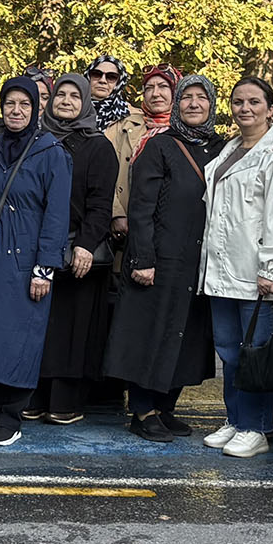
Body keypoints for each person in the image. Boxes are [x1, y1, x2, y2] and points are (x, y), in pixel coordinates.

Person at [103, 72, 224, 441]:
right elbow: (141, 207)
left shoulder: (222, 149)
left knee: (184, 336)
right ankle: (143, 410)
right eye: (187, 97)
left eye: (201, 97)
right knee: (149, 333)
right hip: (160, 257)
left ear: (211, 104)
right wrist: (143, 258)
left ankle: (167, 406)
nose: (193, 104)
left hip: (200, 260)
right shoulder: (159, 146)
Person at [199, 77, 273, 458]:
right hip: (222, 272)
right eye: (238, 102)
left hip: (258, 275)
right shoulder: (229, 151)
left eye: (254, 102)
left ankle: (257, 427)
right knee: (230, 351)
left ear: (270, 108)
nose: (245, 109)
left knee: (257, 353)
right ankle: (235, 418)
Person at [0, 76, 71, 446]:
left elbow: (56, 215)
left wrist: (44, 268)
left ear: (36, 109)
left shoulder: (50, 151)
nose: (16, 111)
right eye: (10, 104)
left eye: (24, 104)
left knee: (17, 339)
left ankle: (10, 415)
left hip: (24, 261)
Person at [34, 74, 120, 423]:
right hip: (40, 247)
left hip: (77, 249)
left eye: (74, 96)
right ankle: (35, 396)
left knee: (73, 328)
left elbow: (101, 204)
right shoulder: (38, 140)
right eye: (61, 95)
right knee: (41, 325)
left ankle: (65, 402)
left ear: (85, 102)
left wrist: (85, 245)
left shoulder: (98, 146)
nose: (66, 101)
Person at [107, 64, 176, 240]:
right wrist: (117, 213)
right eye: (149, 88)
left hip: (171, 229)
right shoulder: (124, 124)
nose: (156, 93)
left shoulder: (187, 129)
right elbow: (103, 171)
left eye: (163, 87)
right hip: (128, 226)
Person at [86, 56, 130, 129]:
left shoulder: (130, 115)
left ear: (118, 83)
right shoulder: (70, 108)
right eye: (96, 74)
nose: (103, 81)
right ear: (88, 77)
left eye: (111, 77)